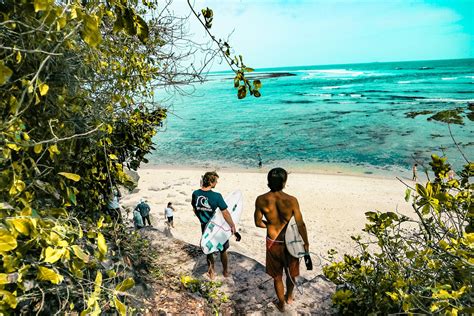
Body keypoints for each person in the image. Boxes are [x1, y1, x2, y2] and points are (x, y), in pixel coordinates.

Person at [254, 167, 309, 312]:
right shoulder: (291, 200)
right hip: (291, 241)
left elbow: (257, 222)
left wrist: (270, 224)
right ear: (284, 182)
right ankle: (289, 297)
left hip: (273, 242)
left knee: (277, 276)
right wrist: (306, 242)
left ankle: (281, 304)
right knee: (291, 273)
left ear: (268, 181)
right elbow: (300, 223)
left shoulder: (261, 199)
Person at [191, 171, 236, 279]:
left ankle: (211, 272)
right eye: (216, 181)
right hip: (217, 227)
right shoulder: (216, 196)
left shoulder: (196, 194)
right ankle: (225, 271)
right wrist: (232, 225)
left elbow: (194, 208)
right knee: (223, 250)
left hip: (205, 227)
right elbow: (225, 213)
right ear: (211, 182)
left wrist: (201, 218)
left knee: (209, 249)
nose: (217, 183)